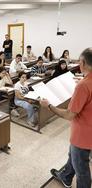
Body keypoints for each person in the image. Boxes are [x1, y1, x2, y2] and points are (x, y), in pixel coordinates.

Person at [40, 48, 92, 188]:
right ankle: (66, 177)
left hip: (83, 134)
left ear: (82, 63)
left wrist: (49, 106)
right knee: (73, 156)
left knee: (82, 169)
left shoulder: (83, 86)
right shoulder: (85, 82)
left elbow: (69, 114)